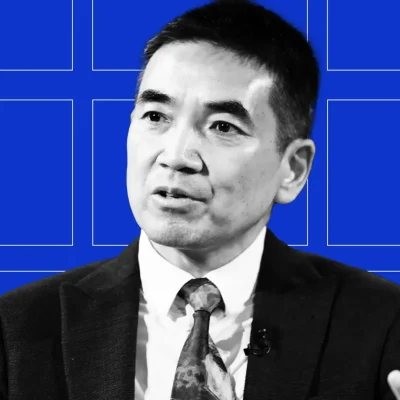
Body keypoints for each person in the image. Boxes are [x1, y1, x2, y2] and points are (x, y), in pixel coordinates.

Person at [1, 0, 400, 398]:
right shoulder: (15, 330)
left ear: (293, 169)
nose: (176, 156)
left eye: (222, 126)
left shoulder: (382, 326)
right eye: (156, 116)